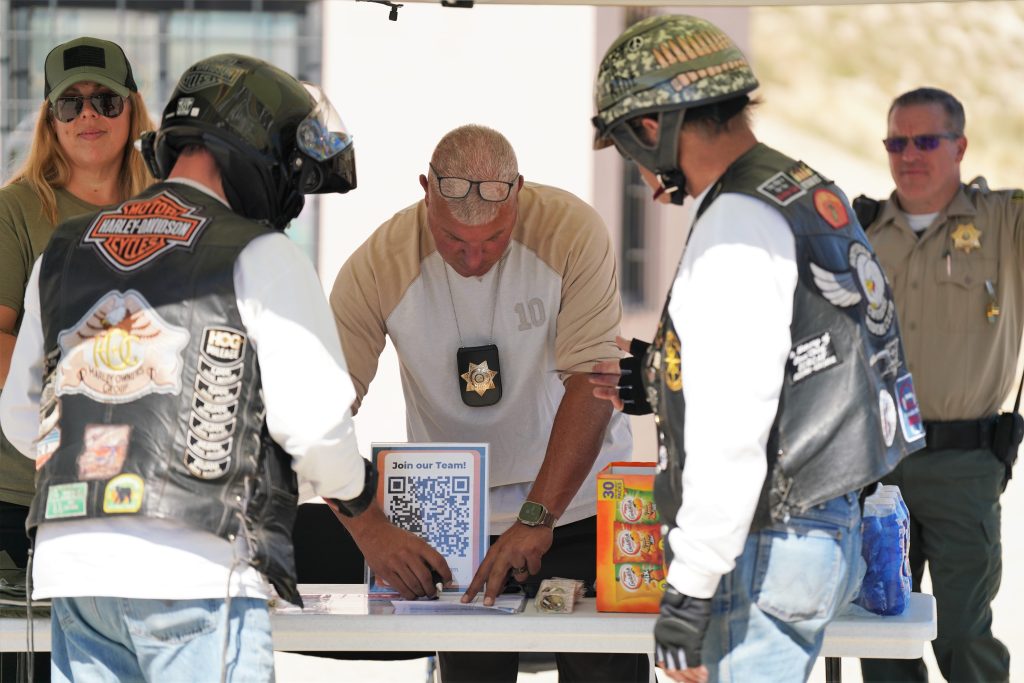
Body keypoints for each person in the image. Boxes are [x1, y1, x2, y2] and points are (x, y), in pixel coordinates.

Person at [0, 53, 374, 682]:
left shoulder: (64, 248)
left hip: (75, 567)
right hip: (199, 564)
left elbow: (19, 419)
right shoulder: (259, 252)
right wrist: (355, 493)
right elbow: (316, 432)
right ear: (258, 149)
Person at [589, 15, 925, 683]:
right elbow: (806, 358)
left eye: (627, 145)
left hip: (764, 539)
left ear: (651, 127)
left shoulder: (736, 221)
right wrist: (664, 380)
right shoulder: (801, 189)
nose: (637, 169)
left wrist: (688, 589)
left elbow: (735, 424)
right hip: (819, 525)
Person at [328, 123, 647, 682]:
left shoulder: (572, 230)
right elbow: (312, 411)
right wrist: (368, 527)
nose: (473, 259)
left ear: (518, 193)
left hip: (580, 505)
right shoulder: (378, 263)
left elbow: (594, 382)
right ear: (425, 190)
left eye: (493, 240)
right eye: (454, 240)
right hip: (455, 525)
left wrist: (538, 515)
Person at [0, 35, 154, 681]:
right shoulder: (17, 208)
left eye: (105, 99)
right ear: (49, 117)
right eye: (70, 103)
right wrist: (64, 424)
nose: (88, 115)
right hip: (27, 488)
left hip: (141, 491)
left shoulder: (169, 209)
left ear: (133, 110)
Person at [855, 87, 1018, 683]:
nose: (909, 154)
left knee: (964, 636)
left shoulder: (1004, 221)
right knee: (880, 633)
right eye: (897, 141)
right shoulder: (861, 226)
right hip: (876, 463)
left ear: (960, 146)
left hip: (963, 467)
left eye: (926, 140)